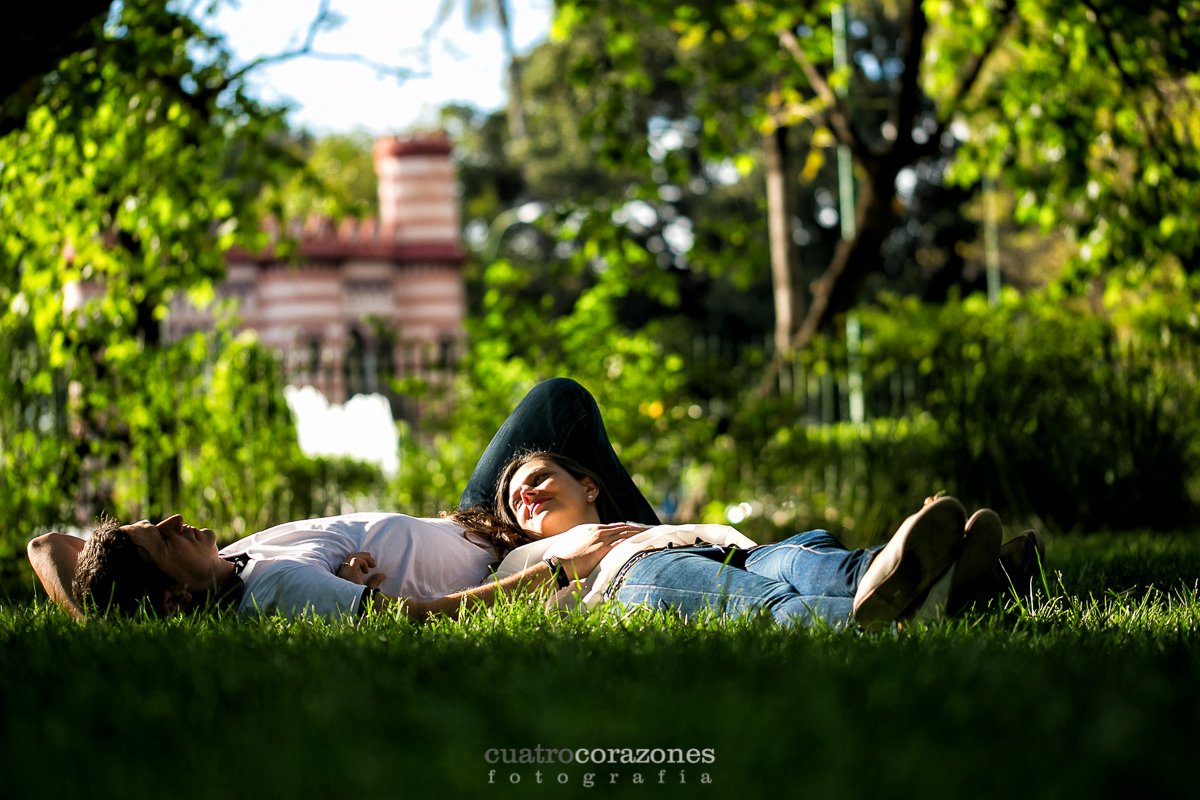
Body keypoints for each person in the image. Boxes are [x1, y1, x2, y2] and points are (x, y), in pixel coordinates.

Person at [27, 378, 655, 620]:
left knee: (555, 403)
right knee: (558, 406)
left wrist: (99, 617)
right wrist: (557, 568)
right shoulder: (270, 591)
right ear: (173, 595)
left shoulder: (237, 563)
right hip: (501, 543)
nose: (172, 520)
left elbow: (45, 545)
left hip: (470, 518)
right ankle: (665, 548)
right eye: (161, 539)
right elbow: (419, 624)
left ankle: (657, 544)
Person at [470, 450, 1044, 630]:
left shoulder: (645, 522)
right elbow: (502, 605)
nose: (528, 495)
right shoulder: (525, 558)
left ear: (590, 486)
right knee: (768, 606)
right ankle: (958, 596)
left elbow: (733, 543)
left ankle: (941, 576)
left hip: (731, 547)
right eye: (515, 498)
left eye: (540, 478)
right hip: (639, 576)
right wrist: (562, 566)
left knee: (815, 556)